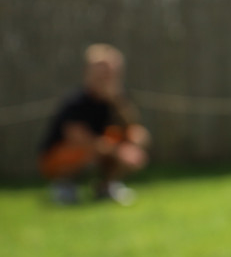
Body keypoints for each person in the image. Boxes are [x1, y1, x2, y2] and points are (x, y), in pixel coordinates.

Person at [39, 44, 149, 205]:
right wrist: (118, 152)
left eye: (110, 72)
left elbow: (132, 126)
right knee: (92, 150)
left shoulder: (118, 99)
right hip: (58, 156)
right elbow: (79, 139)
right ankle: (64, 186)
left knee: (138, 136)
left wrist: (117, 102)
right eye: (102, 71)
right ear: (88, 72)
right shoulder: (76, 102)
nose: (106, 76)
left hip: (101, 149)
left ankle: (106, 187)